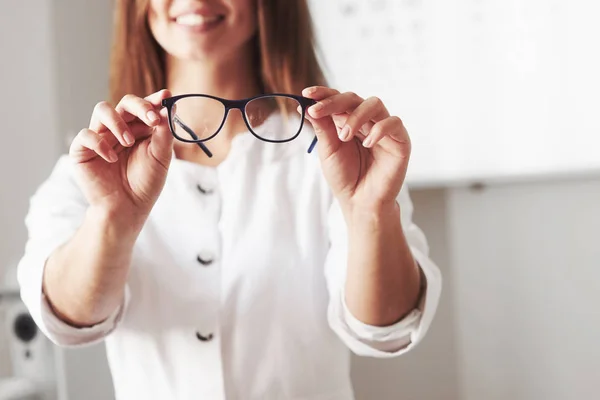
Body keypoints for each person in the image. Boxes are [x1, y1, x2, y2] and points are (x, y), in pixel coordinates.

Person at [17, 0, 442, 399]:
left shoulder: (343, 154)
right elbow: (69, 318)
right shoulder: (90, 169)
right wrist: (111, 219)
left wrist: (368, 213)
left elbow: (384, 328)